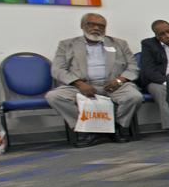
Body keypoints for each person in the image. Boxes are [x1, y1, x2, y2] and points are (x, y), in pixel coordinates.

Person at [46, 12, 144, 145]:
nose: (97, 28)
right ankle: (86, 130)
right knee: (54, 96)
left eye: (101, 26)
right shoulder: (67, 44)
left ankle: (117, 127)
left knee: (134, 97)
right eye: (91, 24)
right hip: (81, 86)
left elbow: (133, 67)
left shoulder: (119, 44)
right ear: (82, 25)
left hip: (113, 85)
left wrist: (119, 80)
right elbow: (57, 69)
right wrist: (78, 83)